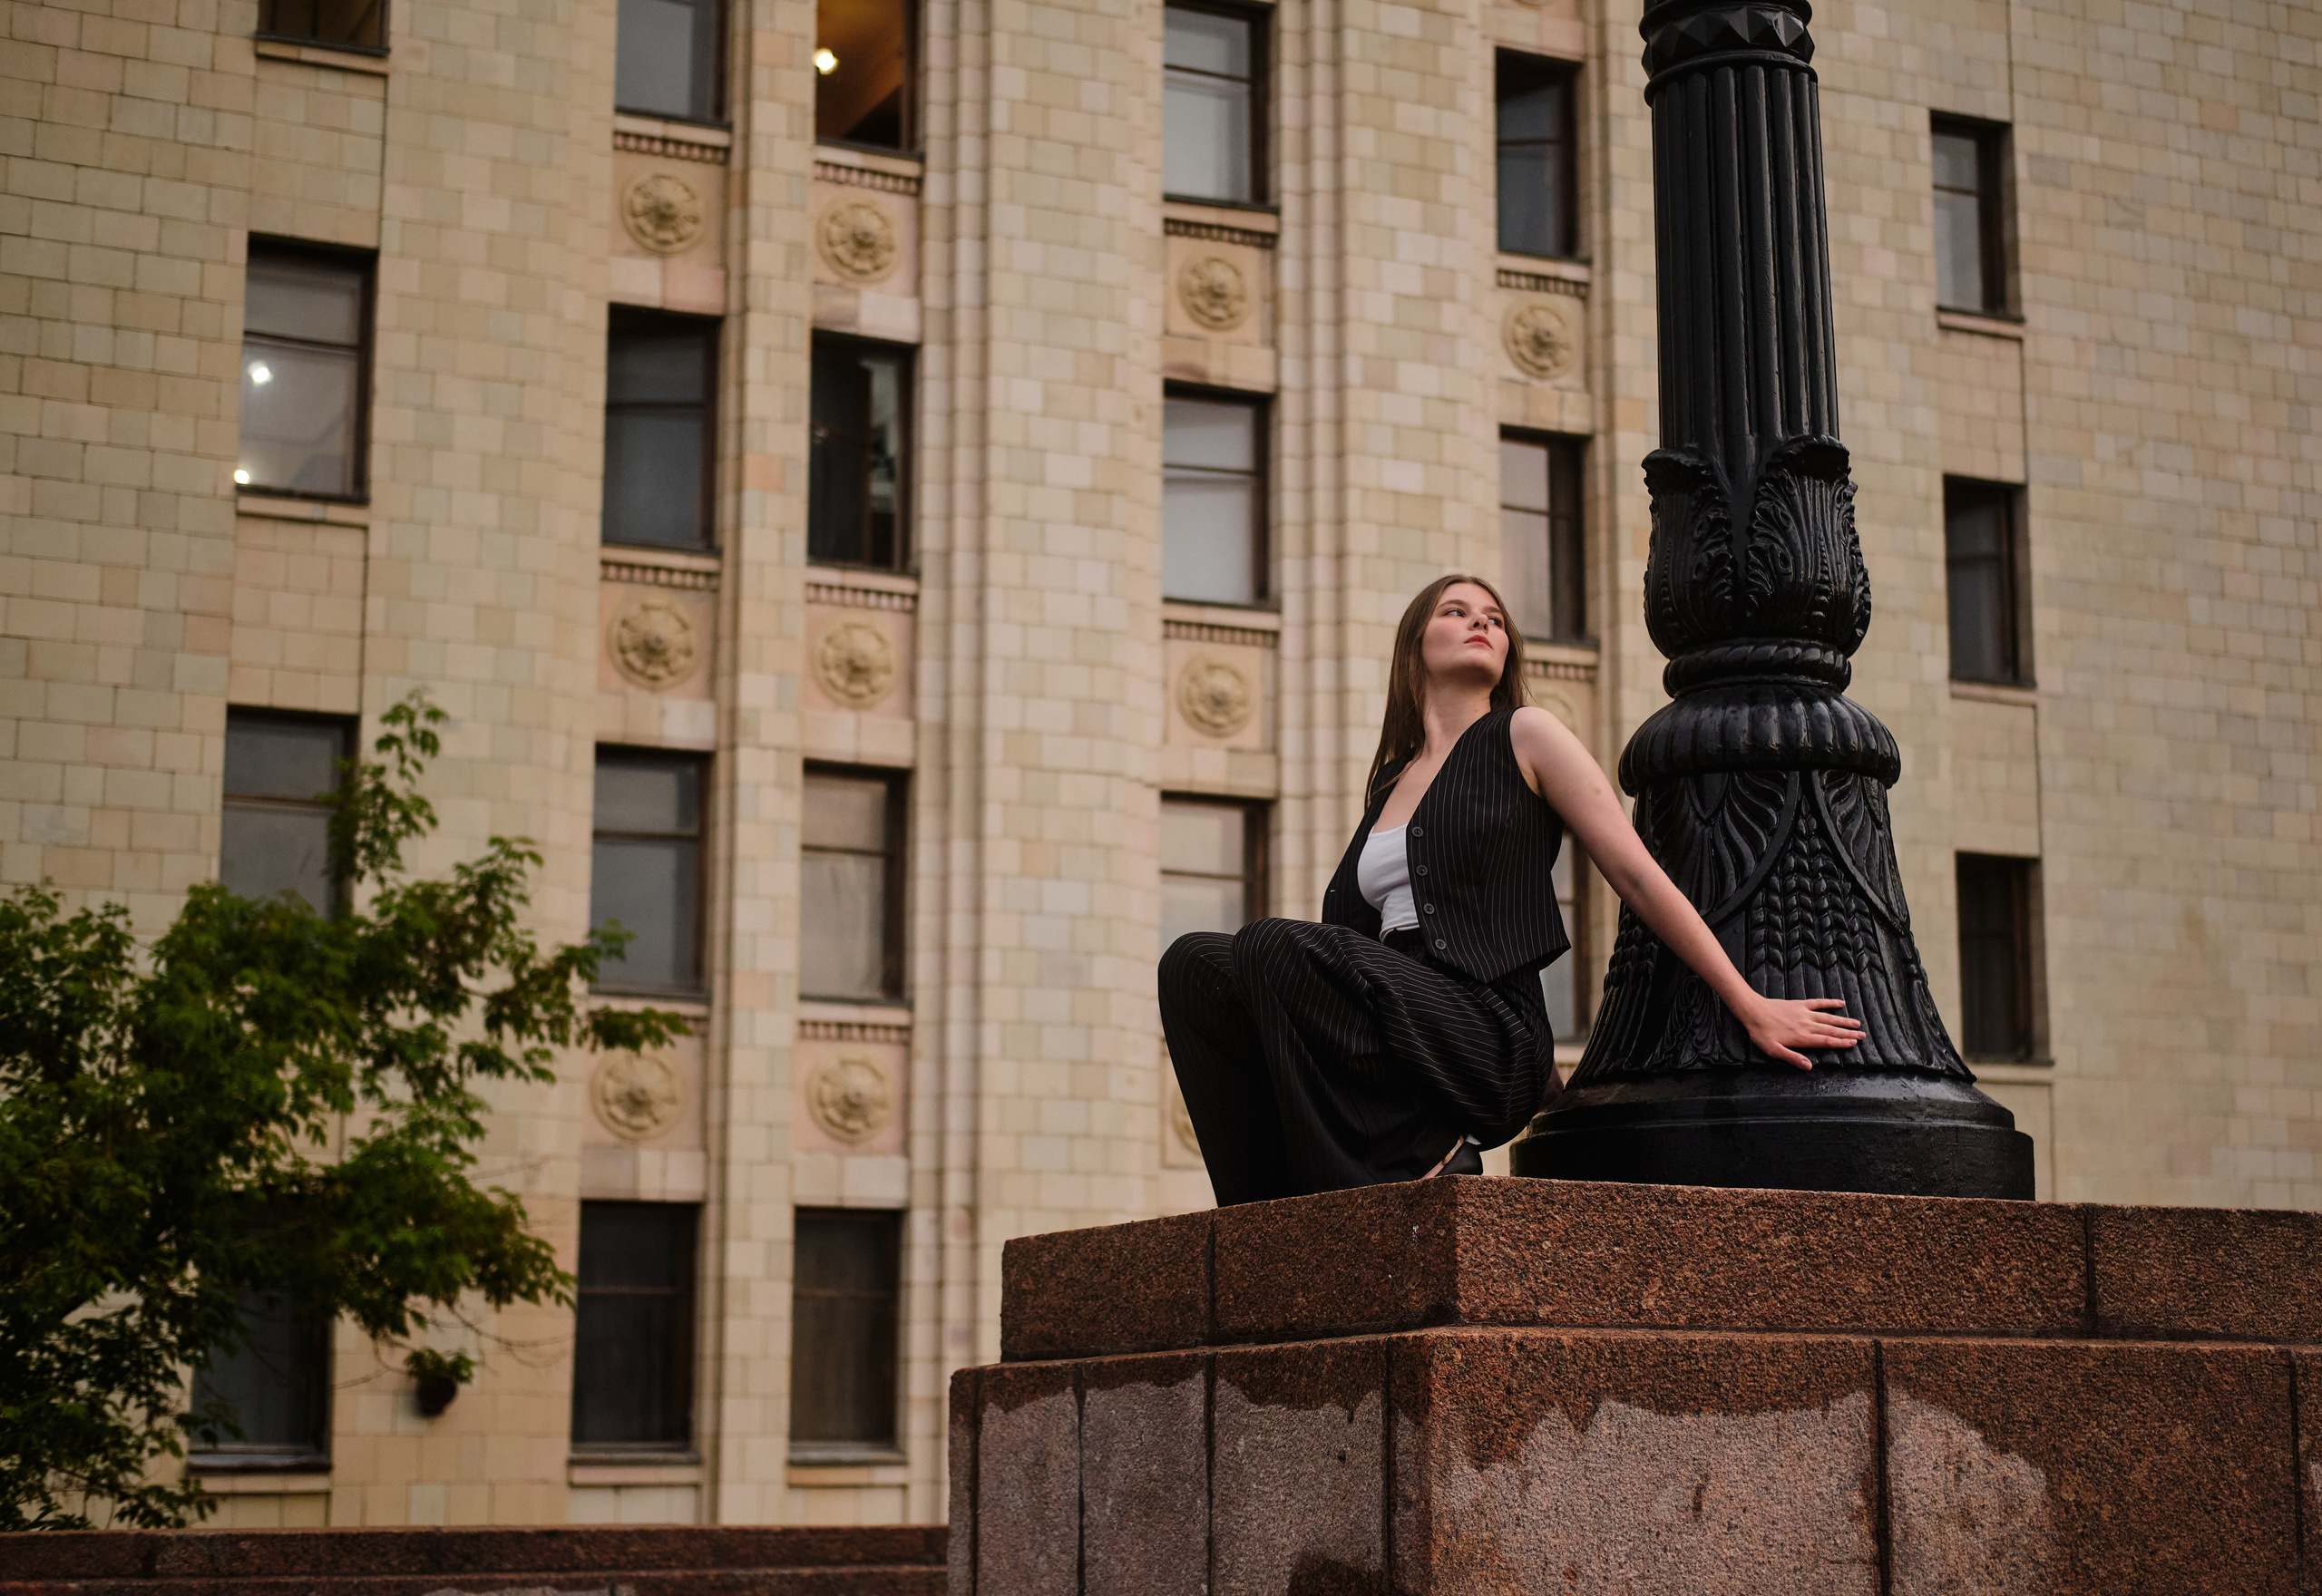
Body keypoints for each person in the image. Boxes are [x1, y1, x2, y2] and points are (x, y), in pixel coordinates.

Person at [1159, 573, 1864, 1205]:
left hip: (1488, 1029)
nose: (1482, 624)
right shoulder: (1389, 782)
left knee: (1270, 941)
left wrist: (1747, 1003)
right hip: (1401, 1027)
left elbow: (1637, 875)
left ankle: (1411, 1171)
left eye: (1494, 618)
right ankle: (1263, 1214)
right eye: (1456, 611)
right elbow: (1352, 945)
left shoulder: (1526, 735)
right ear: (1415, 646)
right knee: (1194, 963)